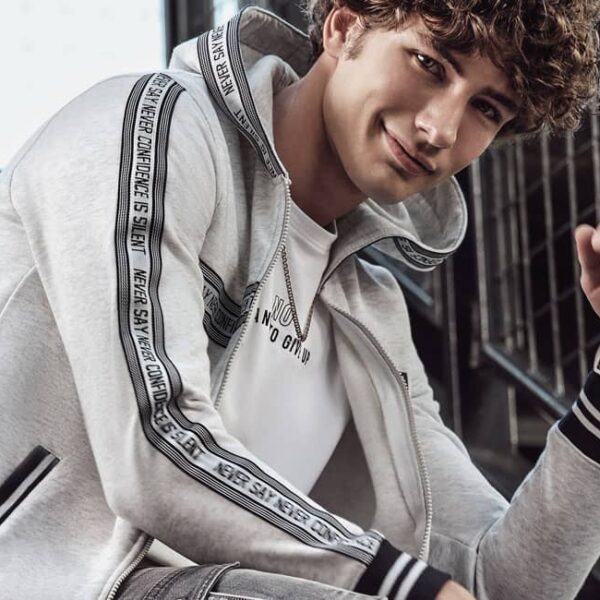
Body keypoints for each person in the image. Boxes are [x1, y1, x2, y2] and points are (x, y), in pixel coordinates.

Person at [1, 0, 600, 598]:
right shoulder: (152, 129)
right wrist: (395, 583)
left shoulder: (370, 314)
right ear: (344, 26)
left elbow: (497, 584)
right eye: (429, 64)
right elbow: (154, 449)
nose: (441, 128)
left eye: (486, 108)